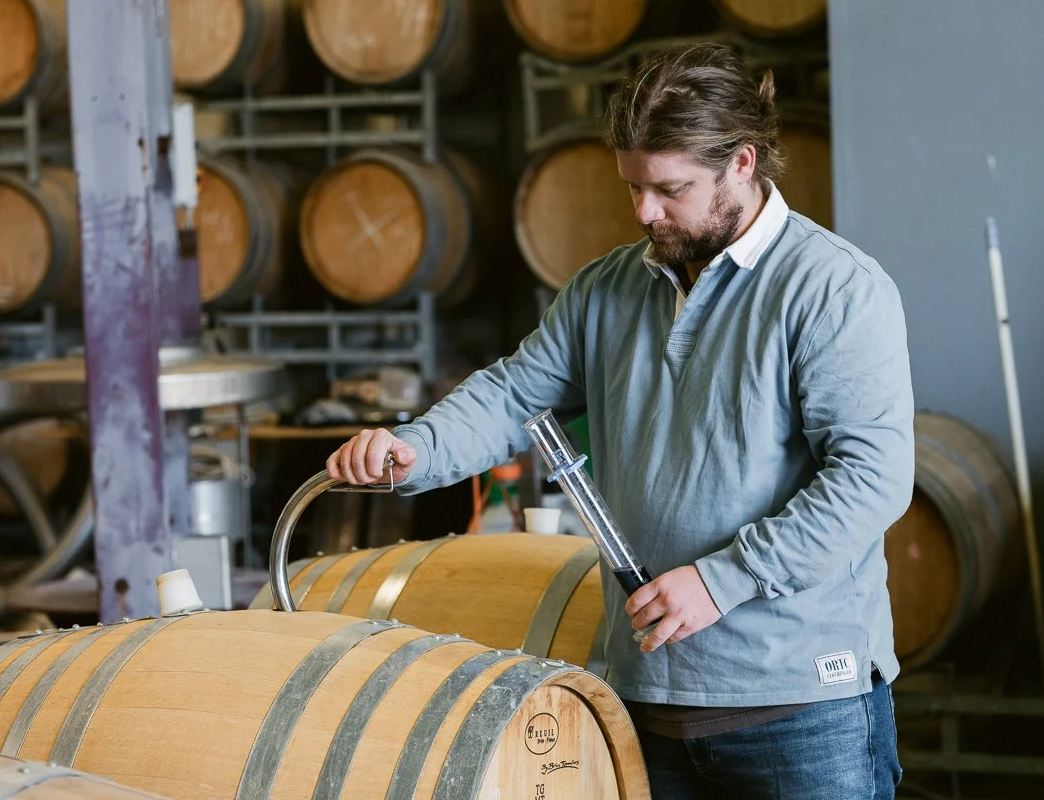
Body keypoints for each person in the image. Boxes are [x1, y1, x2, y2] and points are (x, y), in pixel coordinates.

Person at [327, 43, 913, 799]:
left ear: (742, 163)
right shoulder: (606, 289)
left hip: (801, 709)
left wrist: (722, 580)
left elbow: (870, 480)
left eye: (670, 189)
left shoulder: (832, 289)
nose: (644, 211)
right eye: (633, 186)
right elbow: (513, 395)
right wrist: (416, 448)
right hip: (644, 703)